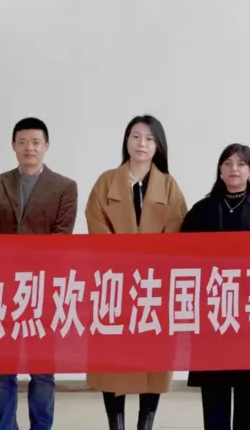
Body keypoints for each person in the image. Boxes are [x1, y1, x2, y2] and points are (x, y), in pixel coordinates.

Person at [85, 115, 188, 430]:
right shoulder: (106, 182)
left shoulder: (169, 186)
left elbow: (176, 233)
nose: (142, 143)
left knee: (152, 360)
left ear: (158, 146)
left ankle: (146, 424)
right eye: (135, 136)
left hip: (154, 288)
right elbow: (96, 225)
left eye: (149, 138)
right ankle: (115, 424)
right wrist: (124, 263)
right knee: (112, 360)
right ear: (126, 141)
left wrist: (149, 268)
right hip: (114, 284)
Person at [0, 117, 78, 430]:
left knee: (42, 372)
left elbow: (61, 237)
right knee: (1, 371)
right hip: (1, 290)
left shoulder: (65, 187)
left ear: (46, 146)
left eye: (35, 142)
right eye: (22, 142)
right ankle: (5, 427)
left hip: (43, 291)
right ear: (13, 145)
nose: (29, 148)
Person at [182, 143, 250, 430]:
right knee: (215, 391)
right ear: (220, 170)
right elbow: (184, 256)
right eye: (227, 163)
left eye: (241, 164)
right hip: (214, 310)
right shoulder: (201, 210)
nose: (234, 169)